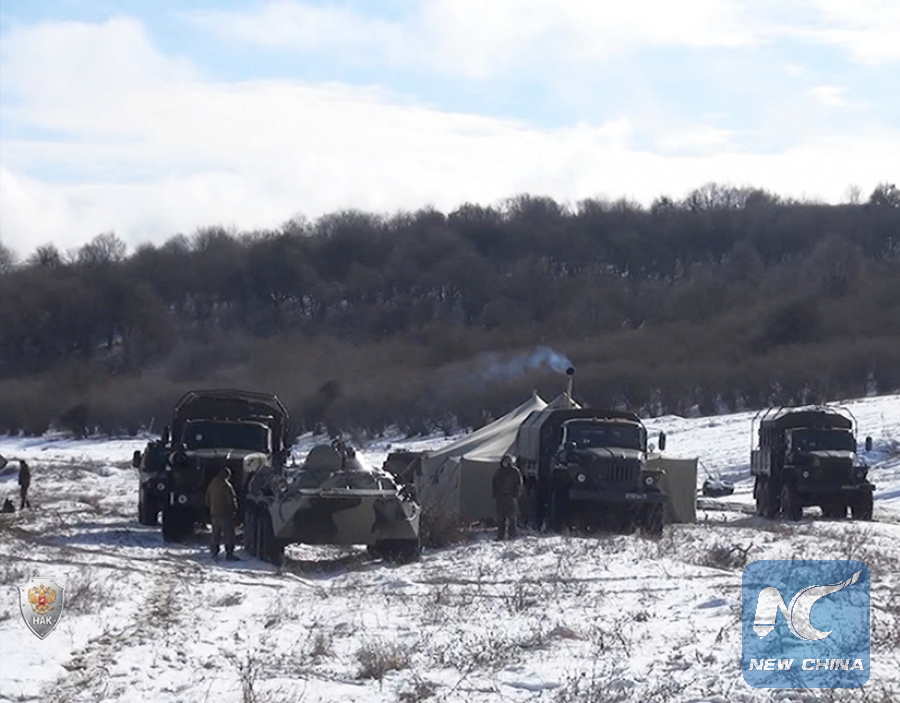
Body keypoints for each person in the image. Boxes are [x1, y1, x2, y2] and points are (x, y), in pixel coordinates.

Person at [205, 467, 239, 561]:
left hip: (214, 513)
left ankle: (214, 552)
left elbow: (207, 499)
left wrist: (212, 508)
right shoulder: (226, 486)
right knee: (229, 534)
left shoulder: (212, 484)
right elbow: (231, 499)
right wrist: (234, 509)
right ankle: (229, 554)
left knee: (215, 534)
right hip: (225, 513)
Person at [492, 454, 522, 540]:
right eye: (504, 461)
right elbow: (494, 483)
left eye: (506, 461)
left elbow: (519, 484)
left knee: (512, 518)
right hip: (500, 498)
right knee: (500, 518)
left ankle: (512, 535)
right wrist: (495, 494)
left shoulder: (514, 472)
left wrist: (516, 494)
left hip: (510, 497)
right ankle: (500, 535)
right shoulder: (499, 472)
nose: (505, 463)